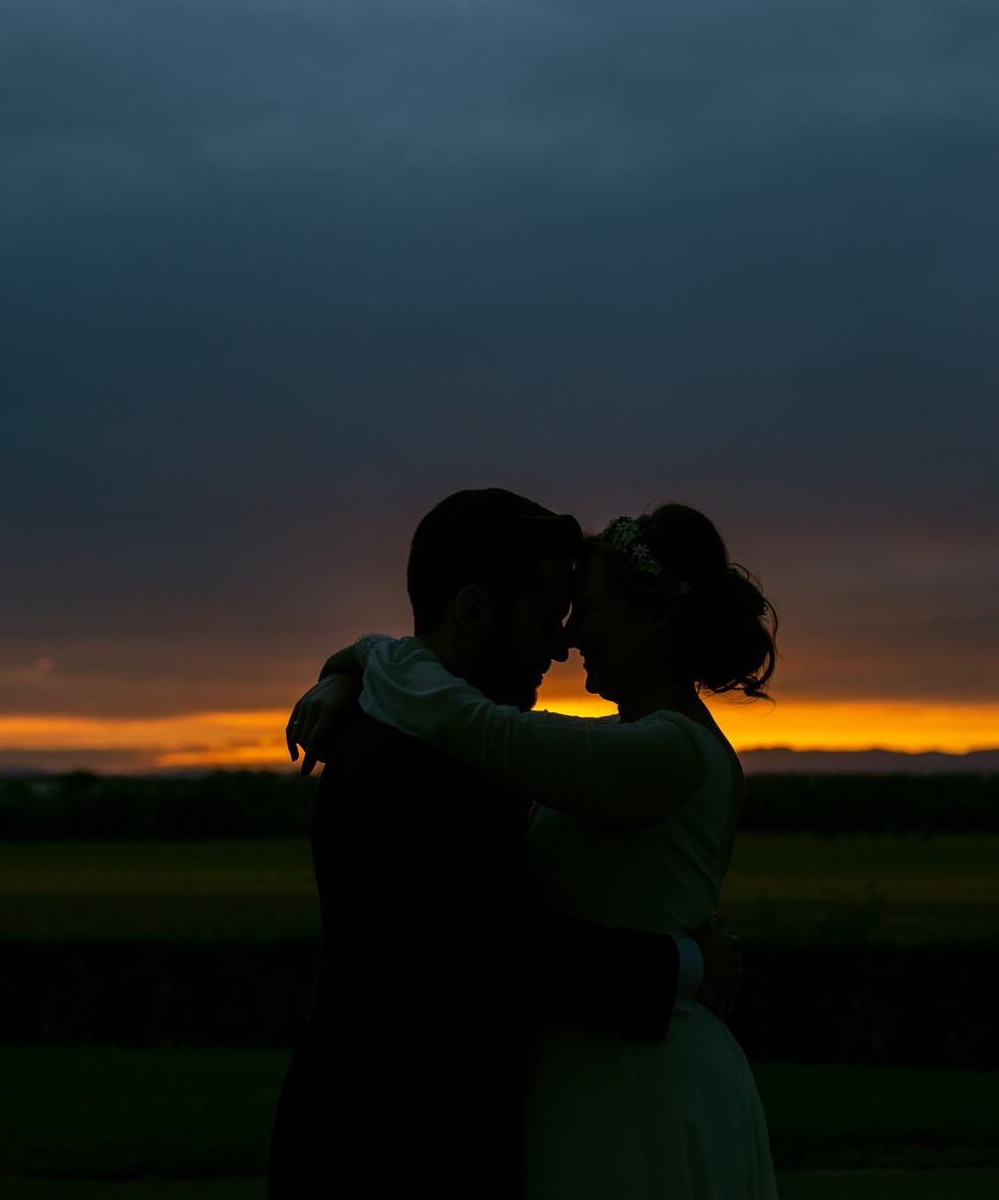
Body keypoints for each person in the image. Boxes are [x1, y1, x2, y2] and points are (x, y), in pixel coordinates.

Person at [291, 499, 779, 1199]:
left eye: (586, 606)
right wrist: (687, 961)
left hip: (634, 1081)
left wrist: (370, 659)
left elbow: (478, 728)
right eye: (561, 610)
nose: (569, 636)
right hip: (517, 1090)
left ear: (657, 616)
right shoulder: (600, 748)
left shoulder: (669, 751)